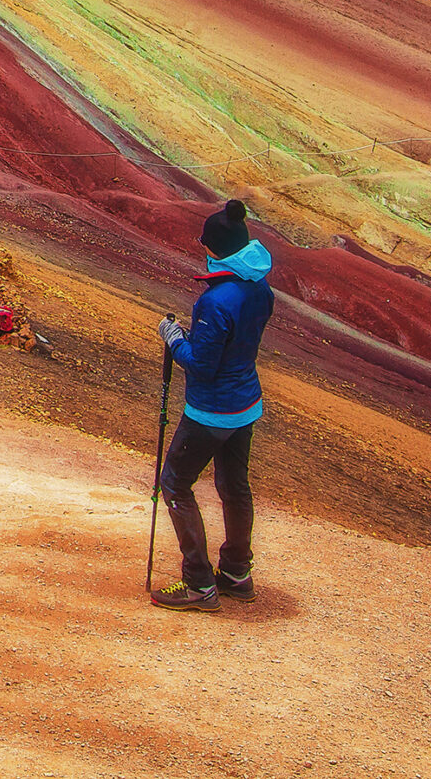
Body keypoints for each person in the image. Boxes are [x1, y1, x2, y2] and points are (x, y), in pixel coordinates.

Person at [153, 201, 276, 613]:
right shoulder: (261, 289)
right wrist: (196, 339)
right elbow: (231, 346)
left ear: (216, 250)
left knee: (175, 484)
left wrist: (173, 338)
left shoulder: (215, 301)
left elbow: (202, 366)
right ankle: (238, 574)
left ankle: (199, 584)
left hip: (211, 411)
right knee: (234, 487)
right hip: (246, 404)